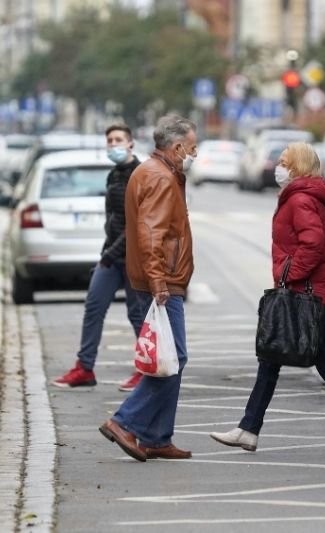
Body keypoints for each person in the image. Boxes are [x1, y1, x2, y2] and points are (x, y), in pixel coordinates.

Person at [209, 142, 325, 453]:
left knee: (320, 364)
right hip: (307, 293)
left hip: (305, 295)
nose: (277, 167)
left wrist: (288, 275)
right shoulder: (300, 196)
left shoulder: (300, 199)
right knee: (273, 358)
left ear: (297, 167)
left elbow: (314, 244)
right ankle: (249, 429)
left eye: (283, 161)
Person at [99, 114, 197, 462]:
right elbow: (152, 233)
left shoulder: (154, 172)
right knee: (174, 357)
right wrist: (159, 282)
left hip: (152, 277)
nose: (193, 154)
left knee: (169, 357)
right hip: (160, 281)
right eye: (192, 148)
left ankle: (157, 437)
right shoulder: (160, 177)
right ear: (177, 146)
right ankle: (124, 421)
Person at [52, 124, 146, 391]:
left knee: (137, 313)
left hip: (134, 258)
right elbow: (113, 219)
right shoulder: (113, 176)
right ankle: (84, 368)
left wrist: (110, 254)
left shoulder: (139, 176)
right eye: (109, 141)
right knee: (94, 305)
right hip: (112, 254)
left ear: (131, 144)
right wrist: (106, 253)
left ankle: (145, 370)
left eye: (119, 140)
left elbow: (137, 224)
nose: (113, 145)